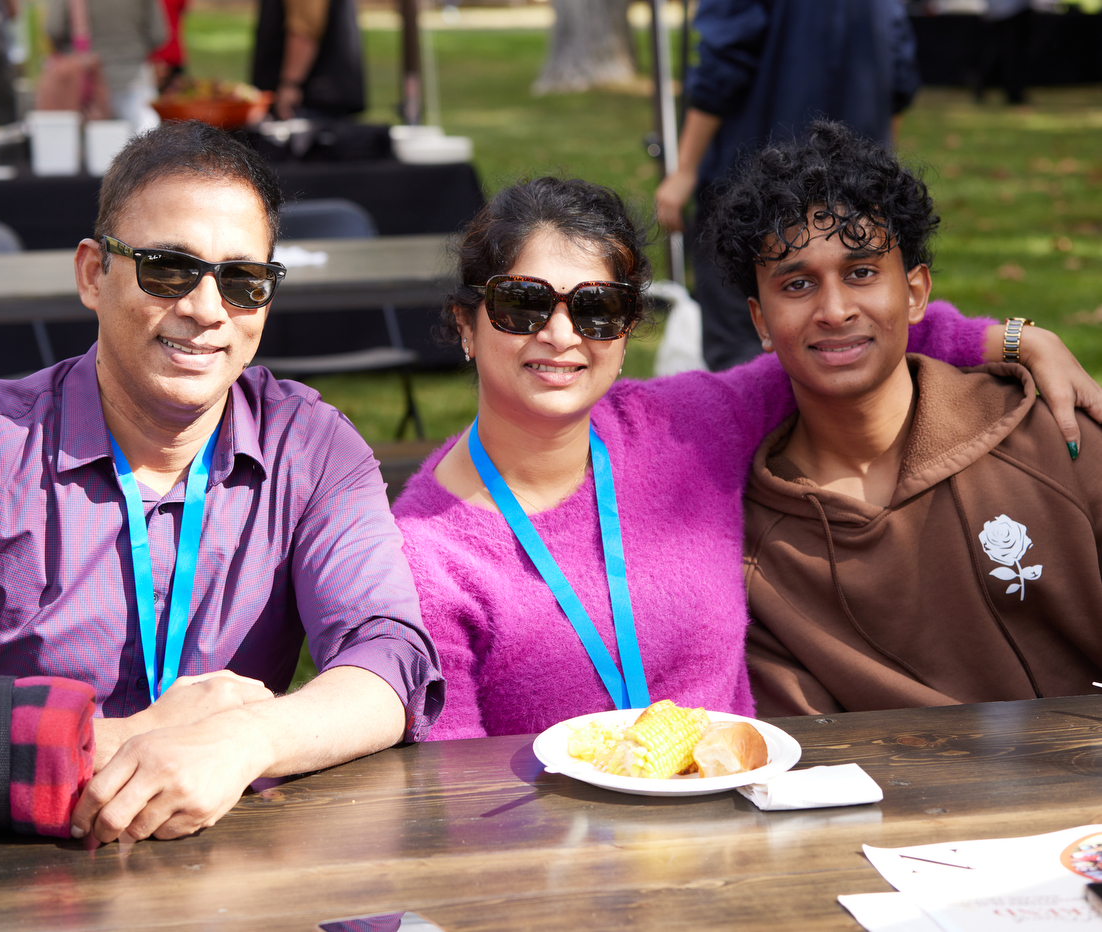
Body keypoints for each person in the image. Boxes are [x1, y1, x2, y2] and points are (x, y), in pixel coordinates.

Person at [0, 120, 444, 842]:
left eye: (243, 281)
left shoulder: (312, 448)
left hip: (228, 881)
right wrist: (122, 741)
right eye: (169, 269)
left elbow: (390, 658)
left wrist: (248, 739)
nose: (205, 309)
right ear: (92, 274)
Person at [391, 176, 1102, 740]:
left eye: (596, 308)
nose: (560, 334)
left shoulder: (683, 427)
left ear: (627, 329)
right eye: (523, 305)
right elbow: (450, 793)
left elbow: (837, 344)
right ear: (465, 324)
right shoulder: (426, 554)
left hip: (747, 841)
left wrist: (1005, 338)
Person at [703, 122, 1102, 715]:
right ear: (761, 322)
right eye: (798, 283)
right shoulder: (752, 553)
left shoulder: (1052, 438)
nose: (835, 311)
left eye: (861, 272)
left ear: (915, 293)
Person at [653, 0, 921, 372]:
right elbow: (899, 72)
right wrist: (880, 170)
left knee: (741, 349)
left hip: (752, 184)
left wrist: (684, 169)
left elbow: (723, 64)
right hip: (857, 186)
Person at [45, 0, 164, 132]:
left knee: (90, 146)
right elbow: (158, 34)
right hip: (134, 77)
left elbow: (54, 29)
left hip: (86, 82)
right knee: (144, 143)